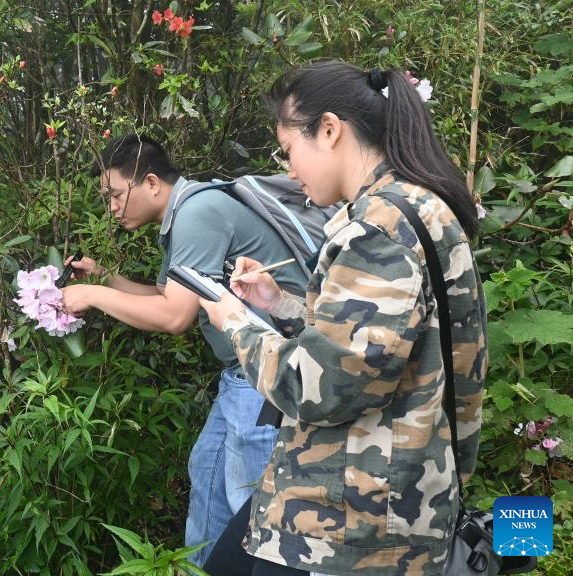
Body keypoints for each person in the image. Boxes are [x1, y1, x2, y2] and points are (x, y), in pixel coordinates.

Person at [199, 61, 487, 575]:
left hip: (350, 524)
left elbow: (321, 388)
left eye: (289, 150)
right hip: (389, 499)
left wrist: (233, 322)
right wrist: (278, 305)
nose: (289, 170)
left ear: (329, 130)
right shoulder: (420, 207)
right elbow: (383, 343)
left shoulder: (377, 230)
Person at [60, 134, 308, 565]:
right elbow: (165, 294)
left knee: (251, 510)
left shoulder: (197, 212)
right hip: (242, 378)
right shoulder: (187, 212)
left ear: (151, 182)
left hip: (266, 378)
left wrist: (92, 297)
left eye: (115, 195)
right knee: (208, 473)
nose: (112, 208)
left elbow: (174, 318)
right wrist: (102, 278)